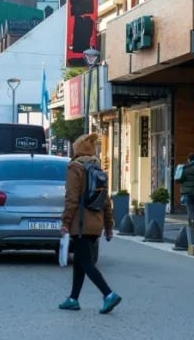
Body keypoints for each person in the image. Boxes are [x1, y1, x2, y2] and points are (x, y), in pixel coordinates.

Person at [58, 133, 122, 314]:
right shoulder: (98, 169)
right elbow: (106, 202)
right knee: (79, 261)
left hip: (80, 224)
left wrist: (65, 222)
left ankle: (108, 294)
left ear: (76, 149)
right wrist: (109, 227)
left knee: (86, 263)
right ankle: (73, 298)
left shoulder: (75, 168)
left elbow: (71, 198)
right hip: (96, 224)